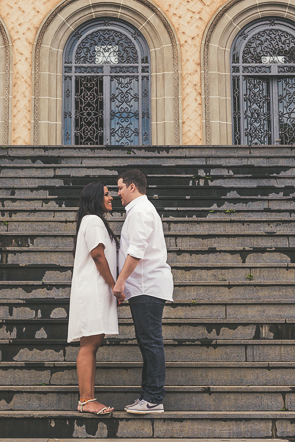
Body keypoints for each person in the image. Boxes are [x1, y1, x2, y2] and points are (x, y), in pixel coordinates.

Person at [112, 168, 173, 414]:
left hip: (147, 286)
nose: (118, 194)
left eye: (119, 188)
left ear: (132, 187)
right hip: (144, 286)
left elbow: (136, 250)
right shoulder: (140, 211)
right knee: (147, 341)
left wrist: (120, 281)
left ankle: (154, 398)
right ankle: (148, 395)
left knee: (150, 342)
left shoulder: (140, 211)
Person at [68, 181, 119, 415]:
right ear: (96, 198)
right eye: (106, 194)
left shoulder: (91, 221)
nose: (111, 198)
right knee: (89, 344)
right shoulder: (94, 221)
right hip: (93, 290)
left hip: (93, 290)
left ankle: (88, 398)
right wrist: (114, 284)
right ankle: (85, 400)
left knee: (92, 344)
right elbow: (98, 255)